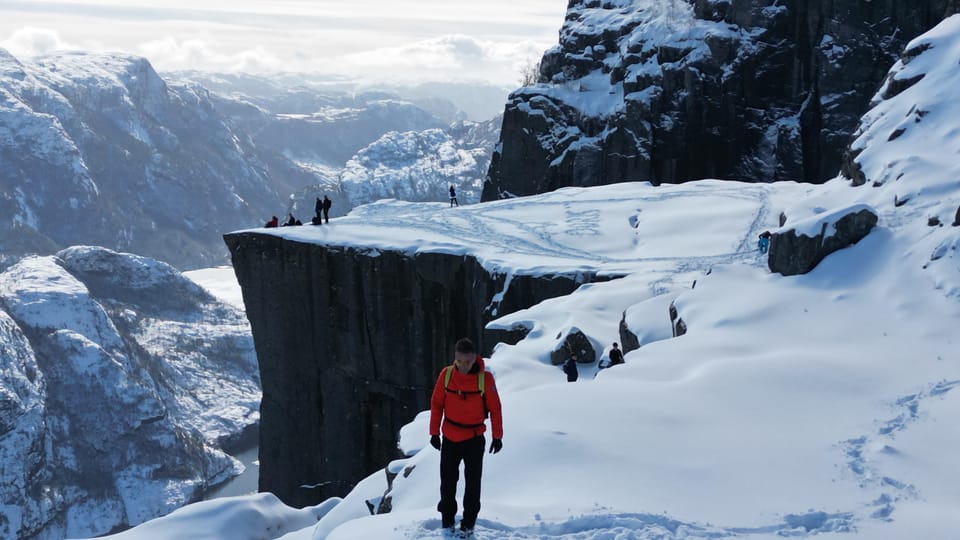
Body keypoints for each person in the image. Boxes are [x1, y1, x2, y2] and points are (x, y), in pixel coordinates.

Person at [429, 338, 503, 538]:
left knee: (472, 484)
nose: (463, 366)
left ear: (474, 358)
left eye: (467, 362)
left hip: (474, 438)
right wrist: (434, 433)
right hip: (450, 437)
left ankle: (468, 524)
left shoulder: (485, 379)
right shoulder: (446, 375)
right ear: (455, 357)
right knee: (448, 482)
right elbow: (437, 404)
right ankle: (447, 521)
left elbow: (495, 409)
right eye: (460, 361)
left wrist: (497, 436)